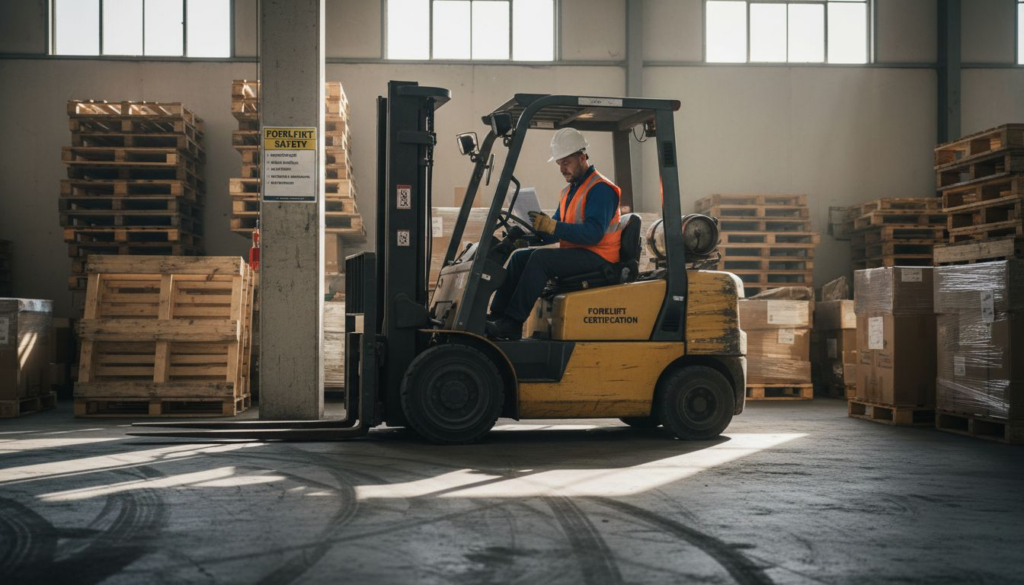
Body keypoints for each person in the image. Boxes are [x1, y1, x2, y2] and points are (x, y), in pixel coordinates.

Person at [486, 128, 623, 340]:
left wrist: (552, 227)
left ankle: (513, 323)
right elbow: (555, 232)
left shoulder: (601, 189)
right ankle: (497, 316)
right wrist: (528, 235)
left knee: (541, 260)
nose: (562, 169)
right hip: (578, 252)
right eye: (559, 164)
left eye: (566, 162)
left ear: (582, 157)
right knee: (520, 257)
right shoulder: (569, 191)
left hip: (600, 256)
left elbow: (593, 234)